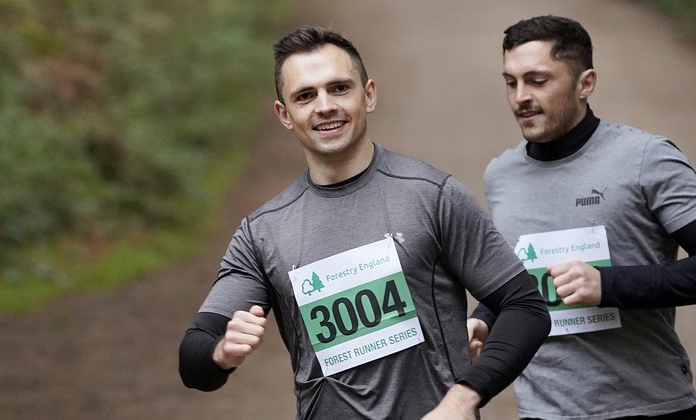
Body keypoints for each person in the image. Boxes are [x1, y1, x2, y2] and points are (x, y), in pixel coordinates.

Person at [178, 26, 550, 419]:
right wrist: (222, 352)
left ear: (367, 94)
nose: (324, 106)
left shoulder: (432, 195)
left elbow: (525, 307)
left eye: (339, 88)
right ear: (284, 115)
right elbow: (194, 358)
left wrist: (464, 398)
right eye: (305, 96)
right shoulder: (262, 233)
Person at [467, 16, 696, 420]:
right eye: (511, 82)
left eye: (538, 81)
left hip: (647, 406)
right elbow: (521, 278)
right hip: (543, 412)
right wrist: (485, 318)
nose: (520, 97)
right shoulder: (501, 176)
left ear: (585, 83)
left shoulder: (645, 159)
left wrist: (608, 284)